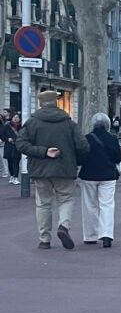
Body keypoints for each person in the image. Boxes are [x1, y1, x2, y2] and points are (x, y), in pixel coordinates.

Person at [16, 90, 89, 250]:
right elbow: (83, 146)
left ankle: (44, 239)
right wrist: (75, 161)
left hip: (40, 170)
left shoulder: (32, 123)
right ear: (56, 102)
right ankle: (63, 226)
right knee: (66, 199)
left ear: (40, 103)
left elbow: (20, 144)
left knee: (43, 204)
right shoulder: (69, 123)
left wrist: (43, 152)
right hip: (65, 170)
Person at [78, 113, 121, 248]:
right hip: (108, 175)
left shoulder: (86, 138)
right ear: (107, 124)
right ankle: (106, 235)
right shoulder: (112, 138)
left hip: (88, 175)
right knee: (107, 205)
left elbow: (80, 158)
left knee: (89, 205)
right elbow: (118, 158)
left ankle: (90, 235)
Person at [2, 113, 22, 184]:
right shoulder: (7, 126)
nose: (15, 118)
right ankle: (12, 176)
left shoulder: (21, 127)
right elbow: (2, 135)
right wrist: (7, 139)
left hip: (17, 147)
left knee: (16, 162)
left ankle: (16, 177)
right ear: (12, 118)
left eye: (17, 117)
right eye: (14, 117)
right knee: (10, 162)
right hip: (9, 147)